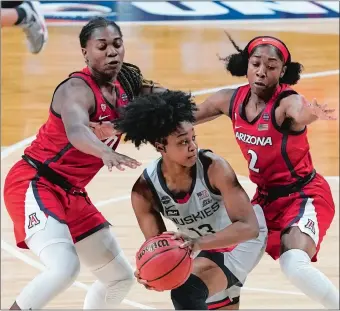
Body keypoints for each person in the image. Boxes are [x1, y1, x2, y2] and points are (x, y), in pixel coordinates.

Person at [3, 17, 166, 310]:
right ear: (85, 52)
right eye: (102, 46)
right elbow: (77, 131)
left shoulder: (128, 88)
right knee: (64, 267)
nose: (112, 52)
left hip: (71, 192)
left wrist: (226, 107)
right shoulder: (75, 89)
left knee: (119, 278)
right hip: (36, 182)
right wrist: (105, 152)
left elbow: (178, 103)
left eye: (117, 44)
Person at [194, 34, 339, 309]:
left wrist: (311, 113)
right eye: (256, 63)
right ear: (246, 64)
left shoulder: (286, 102)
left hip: (303, 195)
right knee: (220, 270)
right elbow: (186, 117)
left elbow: (299, 110)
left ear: (282, 71)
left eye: (271, 66)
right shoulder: (230, 99)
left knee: (294, 264)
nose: (262, 71)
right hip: (263, 201)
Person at [114, 90, 268, 310]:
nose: (192, 146)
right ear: (160, 146)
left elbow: (249, 227)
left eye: (193, 138)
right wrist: (152, 270)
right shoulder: (144, 190)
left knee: (187, 292)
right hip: (202, 247)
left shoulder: (214, 168)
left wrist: (198, 244)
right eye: (183, 142)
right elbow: (160, 245)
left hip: (242, 240)